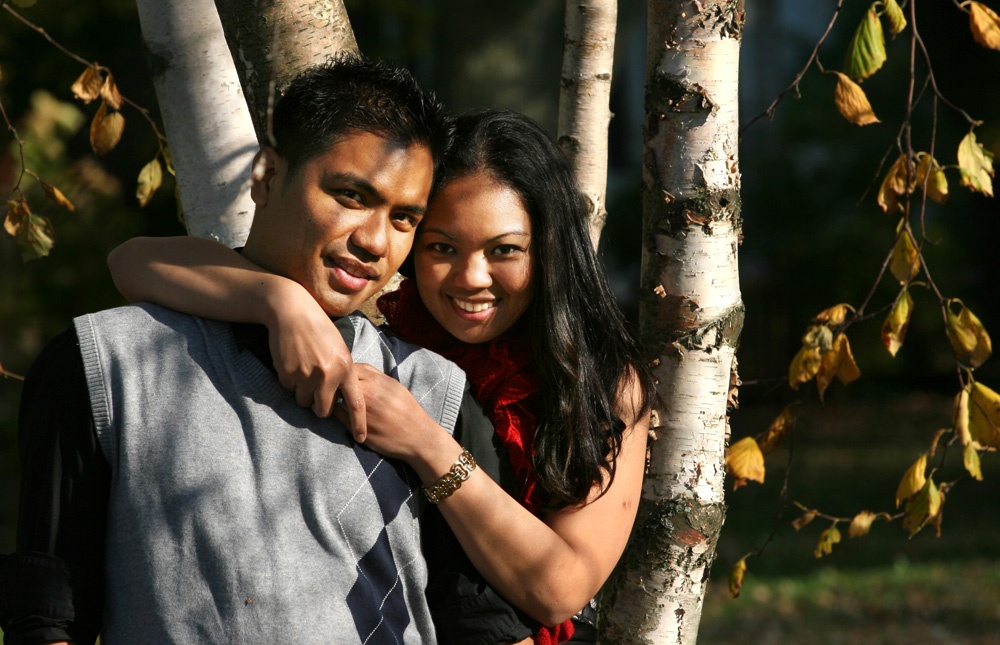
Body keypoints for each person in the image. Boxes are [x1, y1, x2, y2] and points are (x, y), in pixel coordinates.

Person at [0, 54, 535, 645]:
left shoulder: (434, 393)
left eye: (405, 218)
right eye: (352, 195)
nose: (375, 241)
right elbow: (49, 614)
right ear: (267, 177)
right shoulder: (108, 364)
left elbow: (482, 628)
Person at [106, 110, 656, 644]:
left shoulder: (600, 380)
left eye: (504, 251)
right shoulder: (377, 321)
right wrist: (280, 301)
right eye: (441, 247)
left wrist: (426, 443)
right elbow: (131, 260)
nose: (470, 278)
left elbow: (561, 588)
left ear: (550, 251)